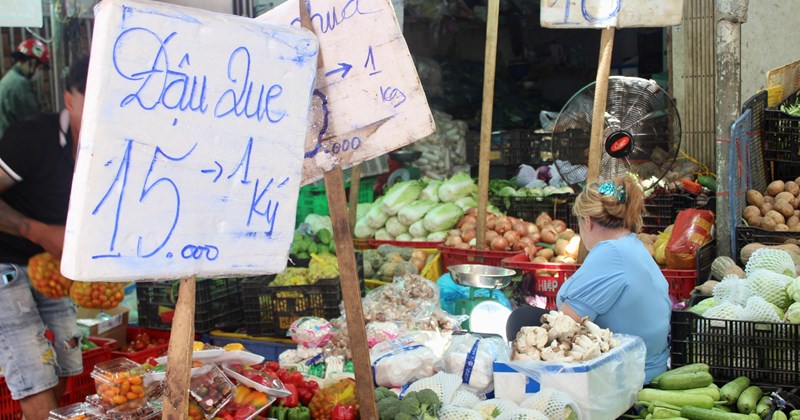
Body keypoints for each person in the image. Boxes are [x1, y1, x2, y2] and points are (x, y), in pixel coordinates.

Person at [0, 54, 89, 420]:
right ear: (70, 99)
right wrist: (38, 231)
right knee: (33, 371)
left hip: (54, 269)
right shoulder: (33, 137)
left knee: (65, 363)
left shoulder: (109, 152)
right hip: (7, 264)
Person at [555, 174, 671, 383]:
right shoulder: (632, 245)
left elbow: (564, 324)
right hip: (651, 367)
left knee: (521, 319)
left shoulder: (611, 253)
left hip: (626, 377)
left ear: (587, 222)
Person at [0, 38, 50, 137]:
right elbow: (32, 123)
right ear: (31, 62)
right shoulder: (19, 84)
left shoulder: (9, 79)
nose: (39, 73)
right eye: (40, 68)